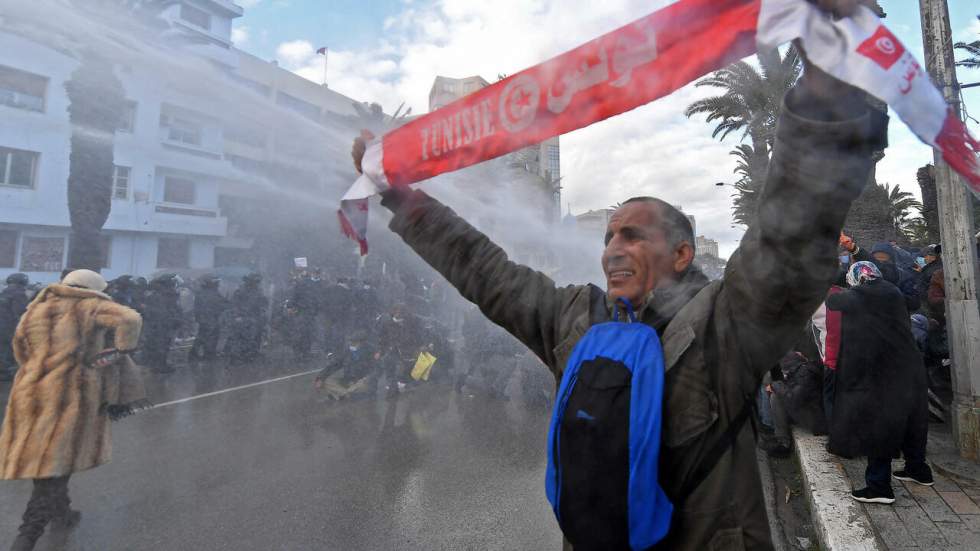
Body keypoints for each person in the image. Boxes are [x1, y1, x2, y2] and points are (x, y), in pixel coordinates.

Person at [350, 10, 885, 548]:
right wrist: (401, 197)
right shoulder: (576, 318)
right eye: (609, 237)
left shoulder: (726, 323)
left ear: (681, 254)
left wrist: (829, 73)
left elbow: (790, 227)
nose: (613, 250)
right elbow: (484, 269)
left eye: (632, 235)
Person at [0, 269, 145, 551]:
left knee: (43, 452)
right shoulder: (88, 305)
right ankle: (27, 534)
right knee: (56, 462)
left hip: (30, 388)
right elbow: (130, 318)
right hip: (69, 392)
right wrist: (122, 349)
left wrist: (39, 367)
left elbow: (20, 347)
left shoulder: (37, 308)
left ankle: (62, 513)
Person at [826, 262, 932, 504]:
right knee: (914, 423)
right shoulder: (892, 290)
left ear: (856, 281)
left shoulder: (860, 295)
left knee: (880, 426)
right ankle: (918, 469)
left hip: (885, 373)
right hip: (910, 366)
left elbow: (834, 302)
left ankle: (879, 486)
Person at [140, 274, 182, 373]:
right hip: (162, 325)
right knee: (161, 345)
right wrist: (174, 320)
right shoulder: (165, 295)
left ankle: (155, 363)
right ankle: (159, 365)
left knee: (158, 344)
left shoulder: (158, 294)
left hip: (159, 325)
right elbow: (165, 312)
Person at [226, 273, 268, 365]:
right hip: (244, 318)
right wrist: (237, 316)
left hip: (255, 318)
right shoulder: (241, 291)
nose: (257, 283)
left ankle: (250, 355)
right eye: (256, 281)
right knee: (243, 338)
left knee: (254, 338)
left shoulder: (257, 291)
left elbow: (263, 304)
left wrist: (263, 314)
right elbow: (234, 305)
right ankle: (240, 356)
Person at [190, 275, 228, 362]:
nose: (218, 284)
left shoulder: (202, 292)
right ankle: (208, 354)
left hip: (204, 319)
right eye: (217, 282)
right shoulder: (212, 293)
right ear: (213, 283)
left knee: (202, 336)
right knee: (211, 337)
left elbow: (198, 308)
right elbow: (221, 304)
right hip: (211, 319)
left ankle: (194, 354)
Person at [0, 273, 30, 380]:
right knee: (9, 350)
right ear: (23, 282)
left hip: (2, 326)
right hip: (10, 327)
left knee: (2, 349)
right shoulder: (19, 294)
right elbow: (22, 312)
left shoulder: (3, 292)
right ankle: (5, 373)